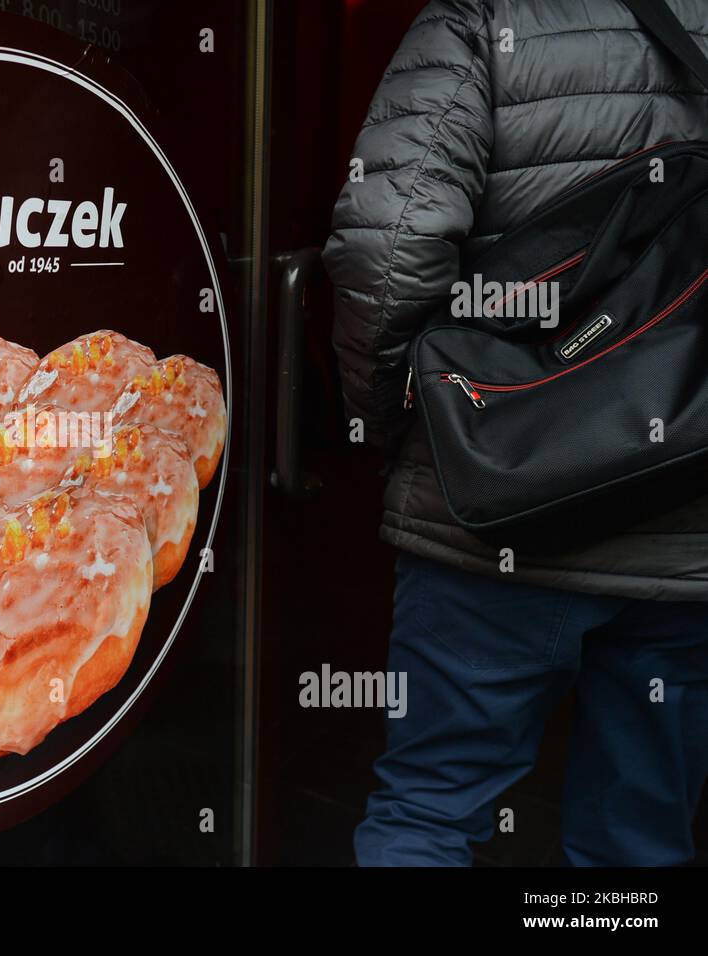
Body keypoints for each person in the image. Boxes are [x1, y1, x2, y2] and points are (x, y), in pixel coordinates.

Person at [323, 0, 708, 866]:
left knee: (428, 813)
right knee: (636, 847)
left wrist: (406, 431)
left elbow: (386, 254)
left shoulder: (482, 19)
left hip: (493, 513)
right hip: (687, 530)